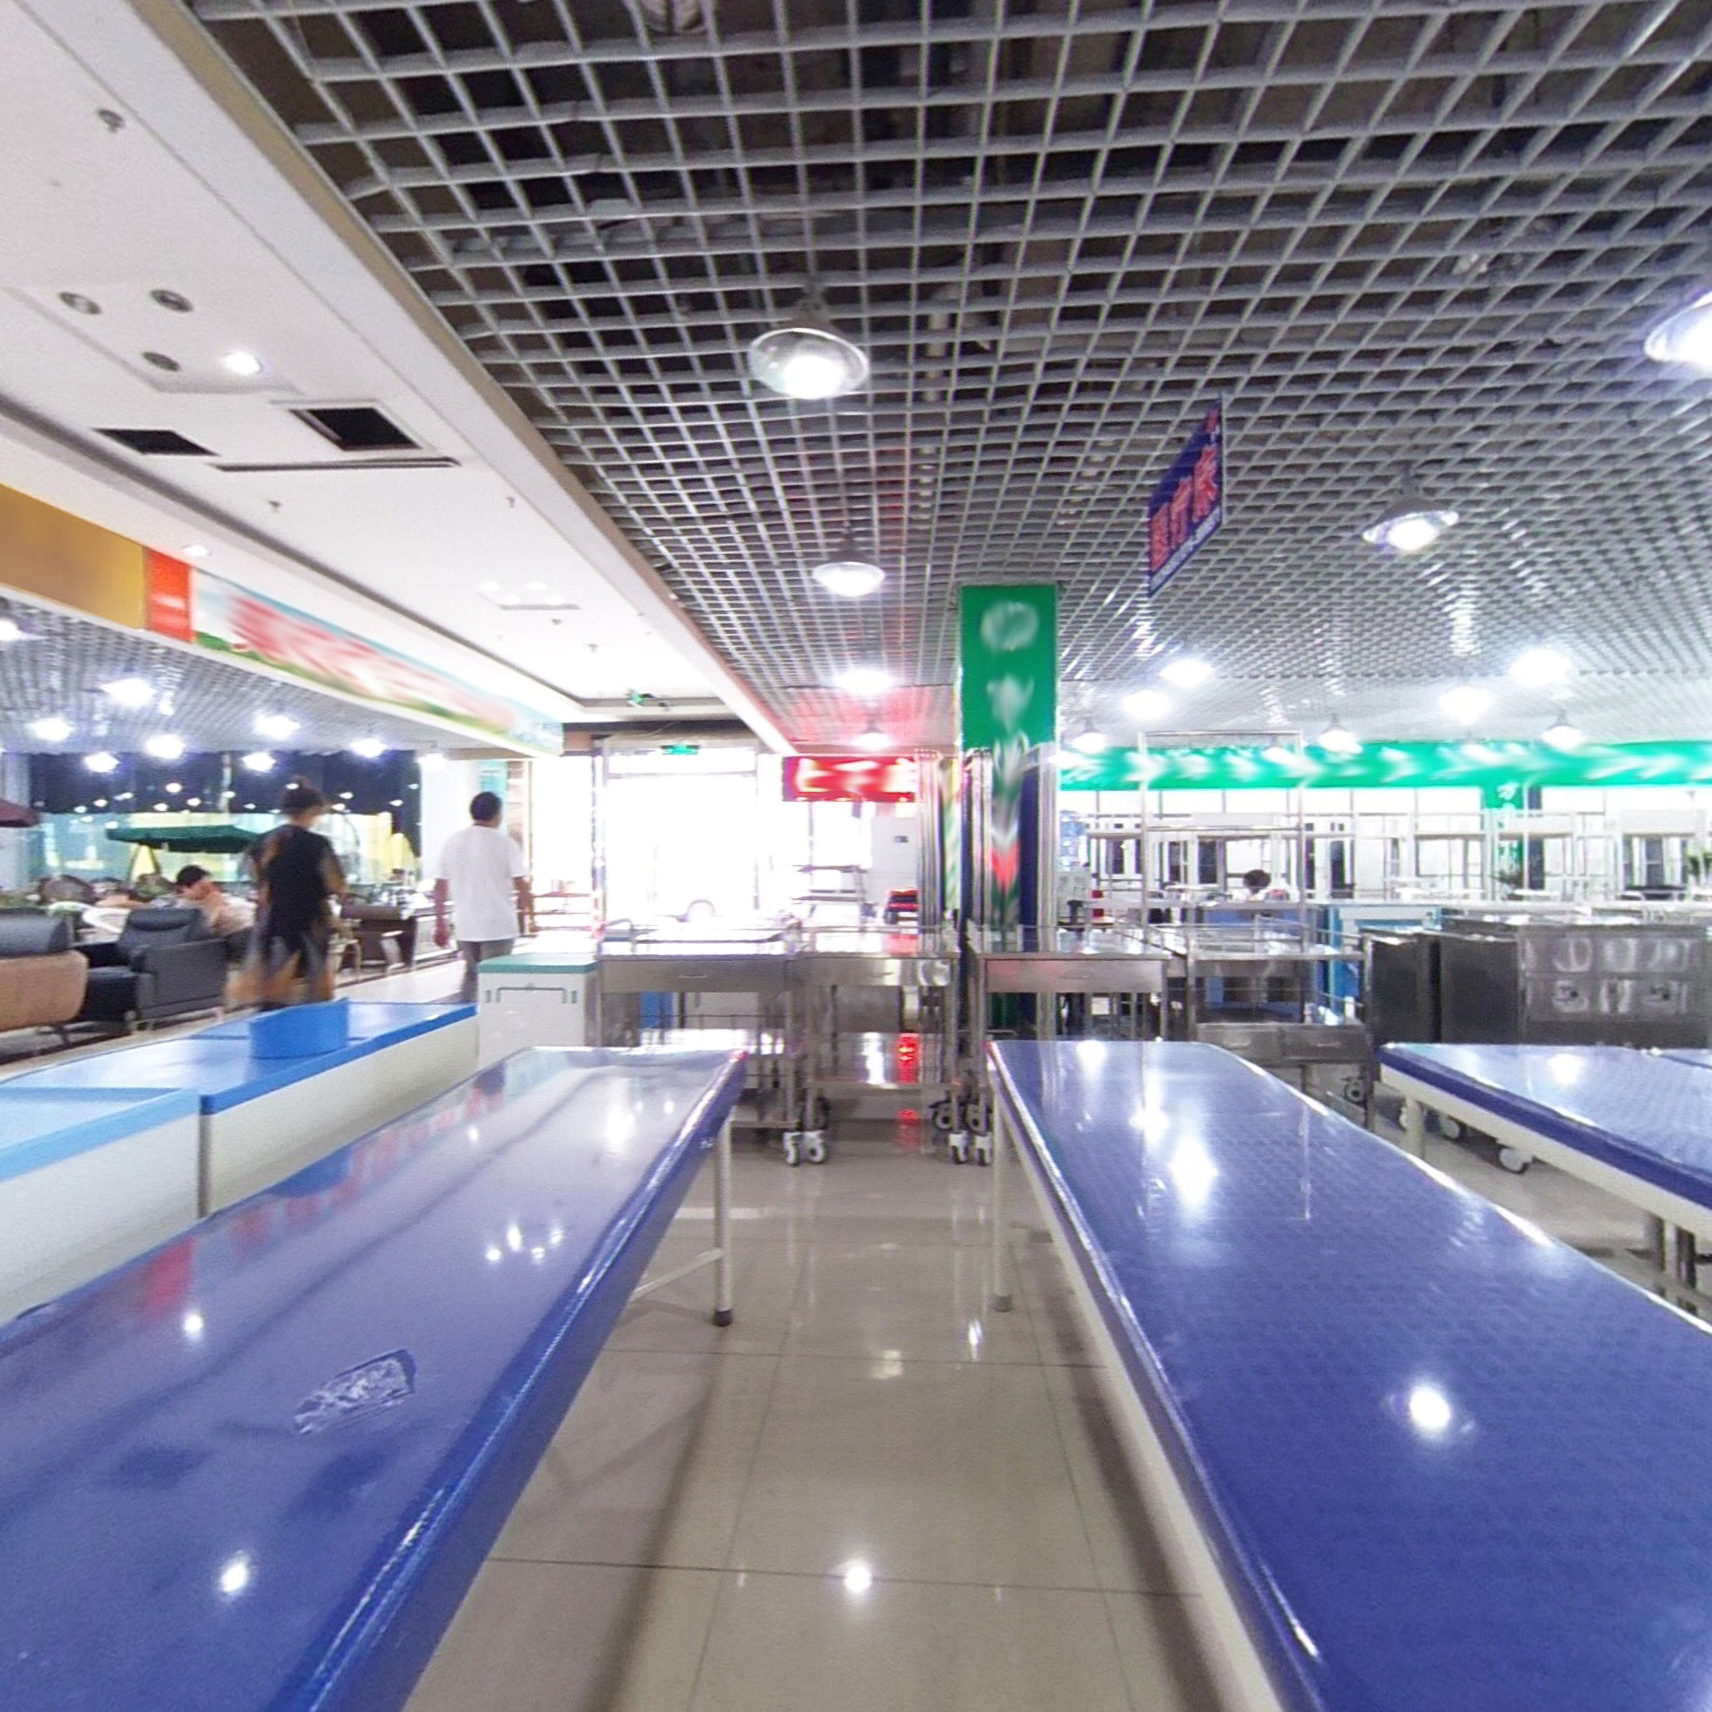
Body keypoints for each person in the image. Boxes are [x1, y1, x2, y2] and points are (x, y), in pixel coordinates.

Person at [239, 782, 347, 1007]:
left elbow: (256, 878)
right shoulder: (317, 844)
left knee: (271, 985)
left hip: (271, 922)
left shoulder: (263, 842)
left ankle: (270, 1019)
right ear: (313, 809)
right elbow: (336, 884)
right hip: (309, 922)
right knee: (310, 987)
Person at [432, 791, 530, 1001]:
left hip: (466, 924)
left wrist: (440, 922)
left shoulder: (453, 842)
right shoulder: (505, 844)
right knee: (495, 979)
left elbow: (440, 885)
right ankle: (493, 1017)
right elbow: (521, 882)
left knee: (471, 974)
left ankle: (466, 1016)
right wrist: (530, 913)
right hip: (498, 924)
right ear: (497, 814)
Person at [173, 865, 257, 939]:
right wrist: (215, 907)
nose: (208, 890)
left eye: (209, 884)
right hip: (241, 931)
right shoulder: (185, 909)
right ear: (185, 888)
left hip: (255, 922)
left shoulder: (214, 896)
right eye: (202, 886)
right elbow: (203, 930)